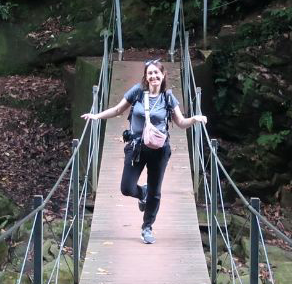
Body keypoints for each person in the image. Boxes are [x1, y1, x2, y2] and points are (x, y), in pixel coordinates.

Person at [83, 59, 207, 244]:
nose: (153, 76)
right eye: (150, 73)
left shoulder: (168, 98)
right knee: (126, 188)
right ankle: (142, 193)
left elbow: (181, 123)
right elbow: (118, 109)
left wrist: (195, 119)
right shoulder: (138, 92)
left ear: (163, 75)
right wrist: (96, 116)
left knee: (155, 192)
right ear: (146, 76)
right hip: (136, 147)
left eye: (157, 73)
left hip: (159, 150)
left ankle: (147, 227)